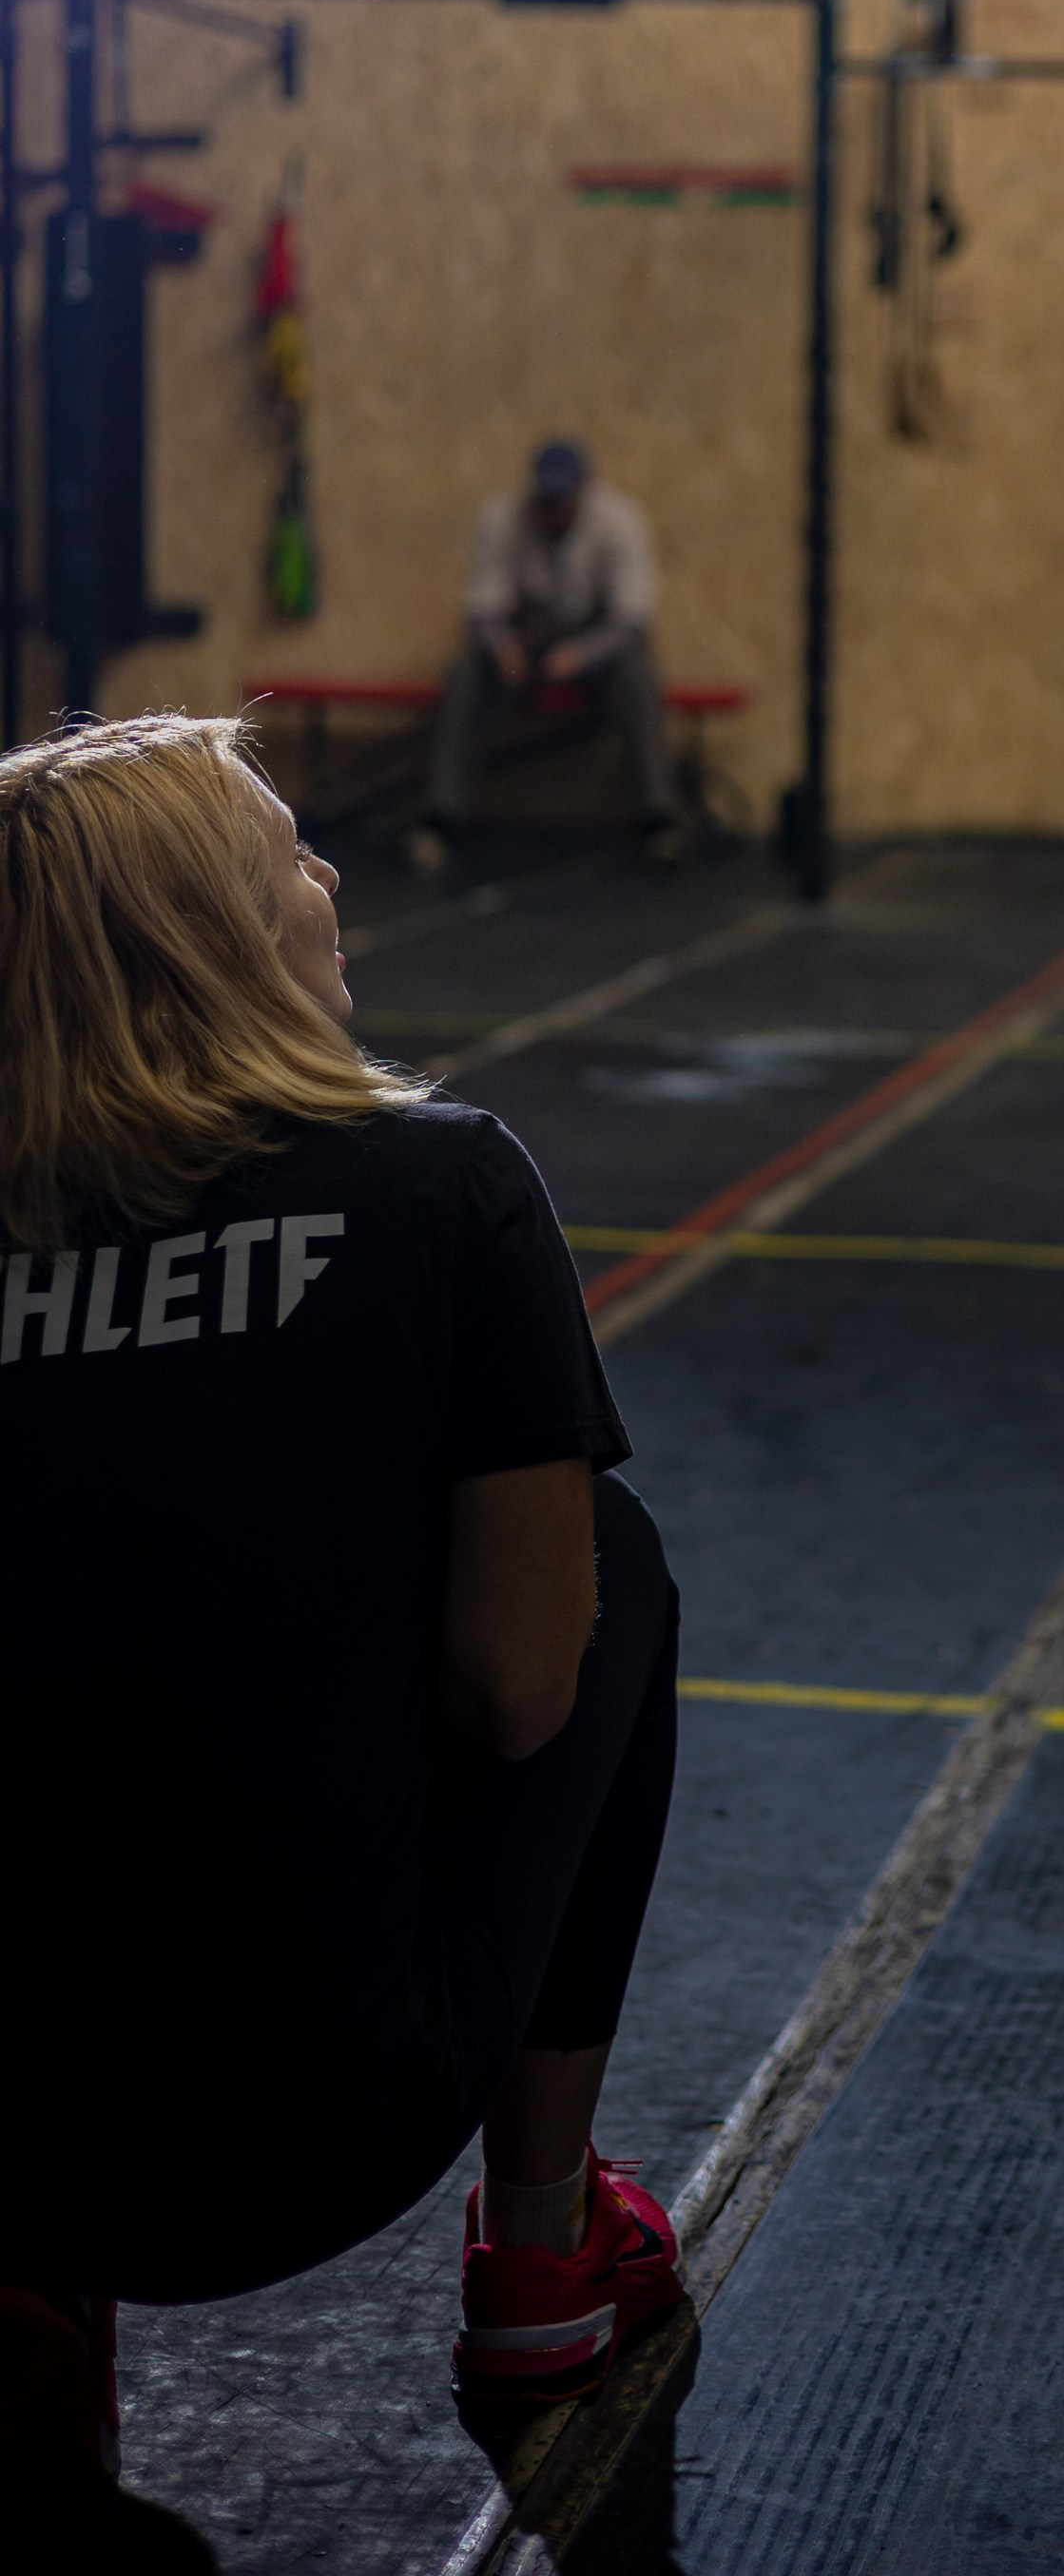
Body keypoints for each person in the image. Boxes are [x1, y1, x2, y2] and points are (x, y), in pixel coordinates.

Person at [0, 715, 685, 2540]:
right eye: (293, 856)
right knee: (610, 1575)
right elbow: (518, 1692)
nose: (329, 882)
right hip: (298, 2126)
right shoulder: (446, 1183)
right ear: (209, 936)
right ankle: (543, 2262)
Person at [409, 439, 681, 873]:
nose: (553, 512)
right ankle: (442, 817)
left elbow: (632, 621)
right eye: (546, 501)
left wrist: (581, 654)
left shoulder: (619, 521)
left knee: (638, 674)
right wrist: (505, 649)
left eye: (562, 502)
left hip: (596, 646)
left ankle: (658, 819)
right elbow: (483, 608)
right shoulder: (501, 518)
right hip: (526, 642)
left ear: (583, 493)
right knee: (464, 673)